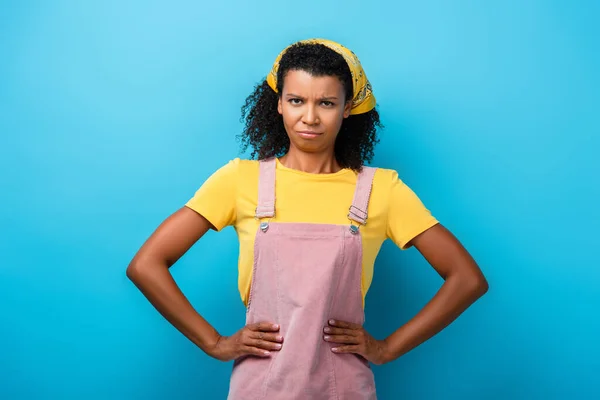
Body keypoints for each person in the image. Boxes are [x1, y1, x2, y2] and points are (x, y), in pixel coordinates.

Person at [126, 38, 489, 399]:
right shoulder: (240, 180)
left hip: (344, 387)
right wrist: (215, 343)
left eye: (327, 103)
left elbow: (467, 279)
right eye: (296, 100)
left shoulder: (382, 190)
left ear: (348, 108)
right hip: (259, 386)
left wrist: (387, 348)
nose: (310, 117)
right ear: (279, 104)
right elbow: (146, 265)